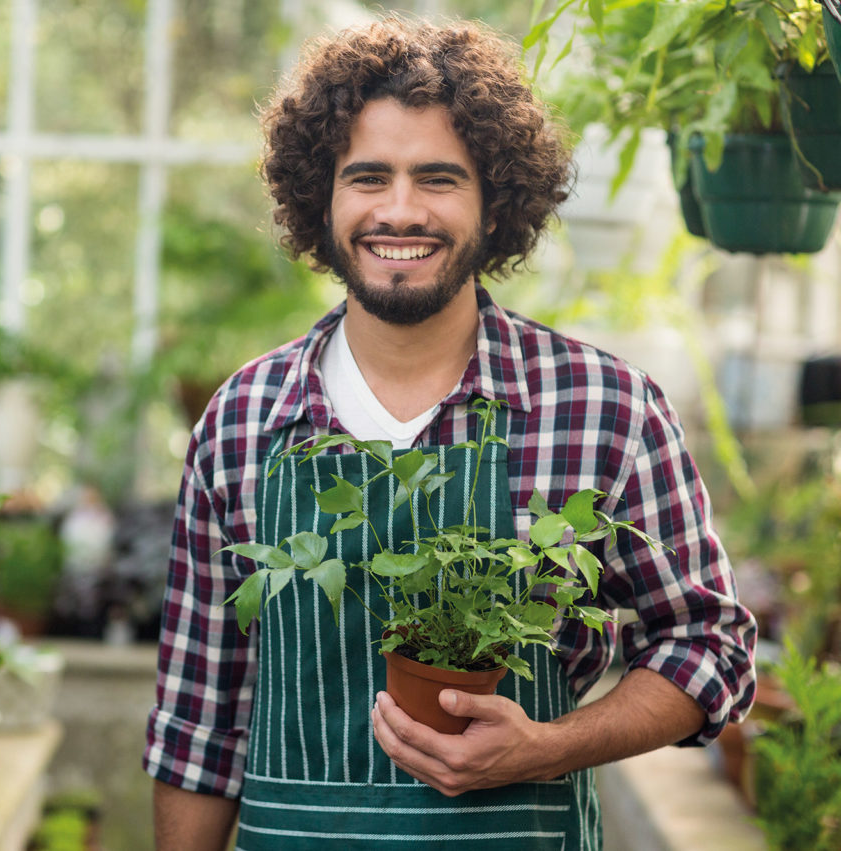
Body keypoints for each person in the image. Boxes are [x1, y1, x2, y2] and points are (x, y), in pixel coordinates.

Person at [143, 15, 756, 851]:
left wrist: (548, 748)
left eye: (438, 178)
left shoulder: (603, 407)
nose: (400, 210)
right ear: (320, 200)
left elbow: (710, 645)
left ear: (494, 203)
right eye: (368, 177)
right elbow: (199, 725)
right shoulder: (244, 420)